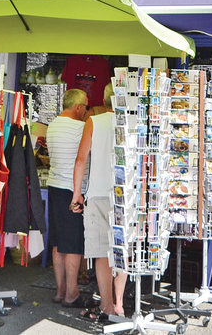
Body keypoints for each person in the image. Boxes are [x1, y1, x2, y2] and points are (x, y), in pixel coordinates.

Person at [72, 84, 127, 322]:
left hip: (98, 194)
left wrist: (77, 193)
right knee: (122, 251)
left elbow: (81, 160)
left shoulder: (94, 122)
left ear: (104, 101)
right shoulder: (131, 123)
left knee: (102, 253)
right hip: (125, 196)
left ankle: (106, 305)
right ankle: (120, 304)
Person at [45, 88, 89, 307]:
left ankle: (60, 290)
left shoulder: (52, 125)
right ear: (78, 107)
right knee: (72, 243)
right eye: (86, 107)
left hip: (54, 187)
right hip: (73, 190)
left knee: (58, 241)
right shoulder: (81, 127)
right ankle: (72, 293)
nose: (86, 112)